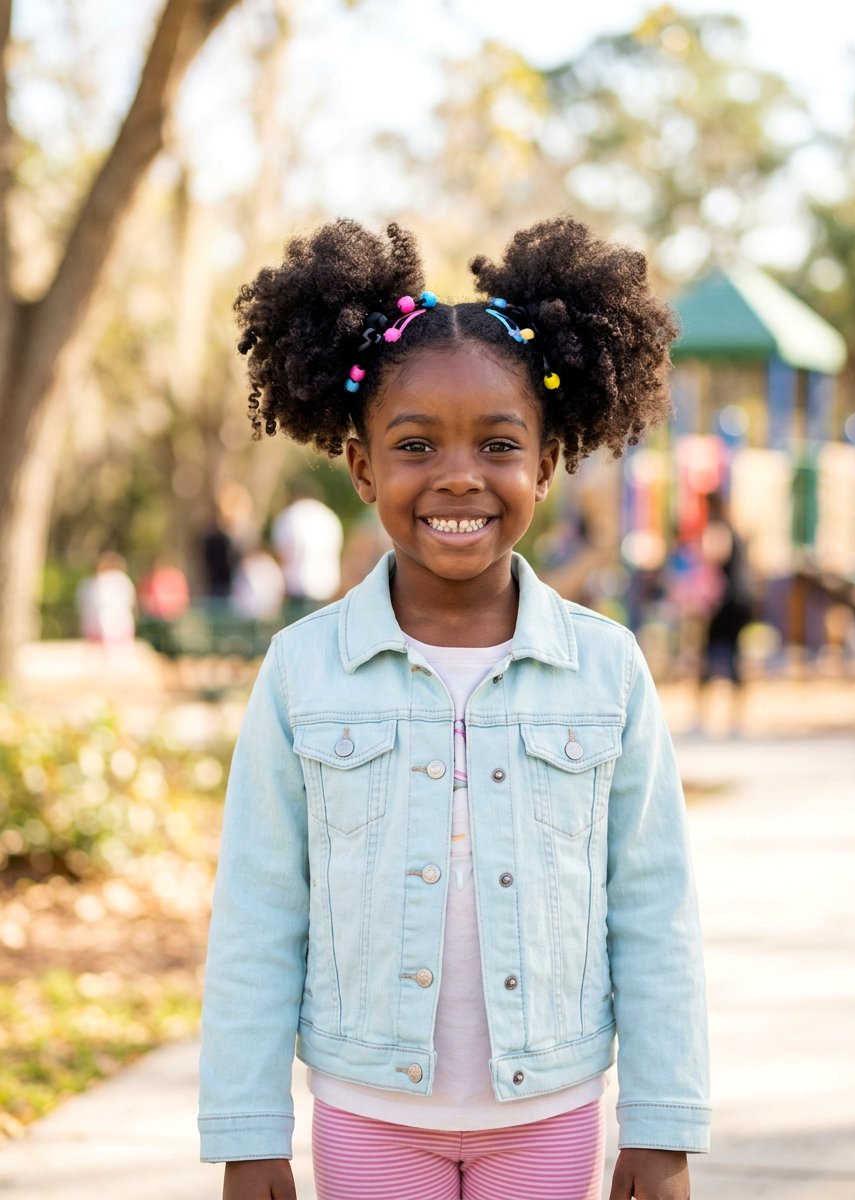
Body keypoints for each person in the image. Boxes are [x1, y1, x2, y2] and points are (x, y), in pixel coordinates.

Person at [198, 218, 710, 1200]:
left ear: (548, 464)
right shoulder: (303, 673)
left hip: (548, 1114)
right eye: (415, 443)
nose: (458, 474)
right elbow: (258, 911)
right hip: (368, 1115)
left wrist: (661, 1123)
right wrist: (246, 1130)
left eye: (499, 444)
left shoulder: (604, 671)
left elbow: (654, 908)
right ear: (360, 468)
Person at [694, 491, 753, 733]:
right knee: (735, 656)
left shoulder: (719, 528)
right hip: (742, 601)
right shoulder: (736, 531)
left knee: (708, 655)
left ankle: (701, 716)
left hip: (726, 603)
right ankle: (737, 718)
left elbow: (714, 557)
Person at [271, 486, 344, 620]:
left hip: (297, 596)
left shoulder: (291, 515)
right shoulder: (328, 515)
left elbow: (284, 555)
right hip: (328, 596)